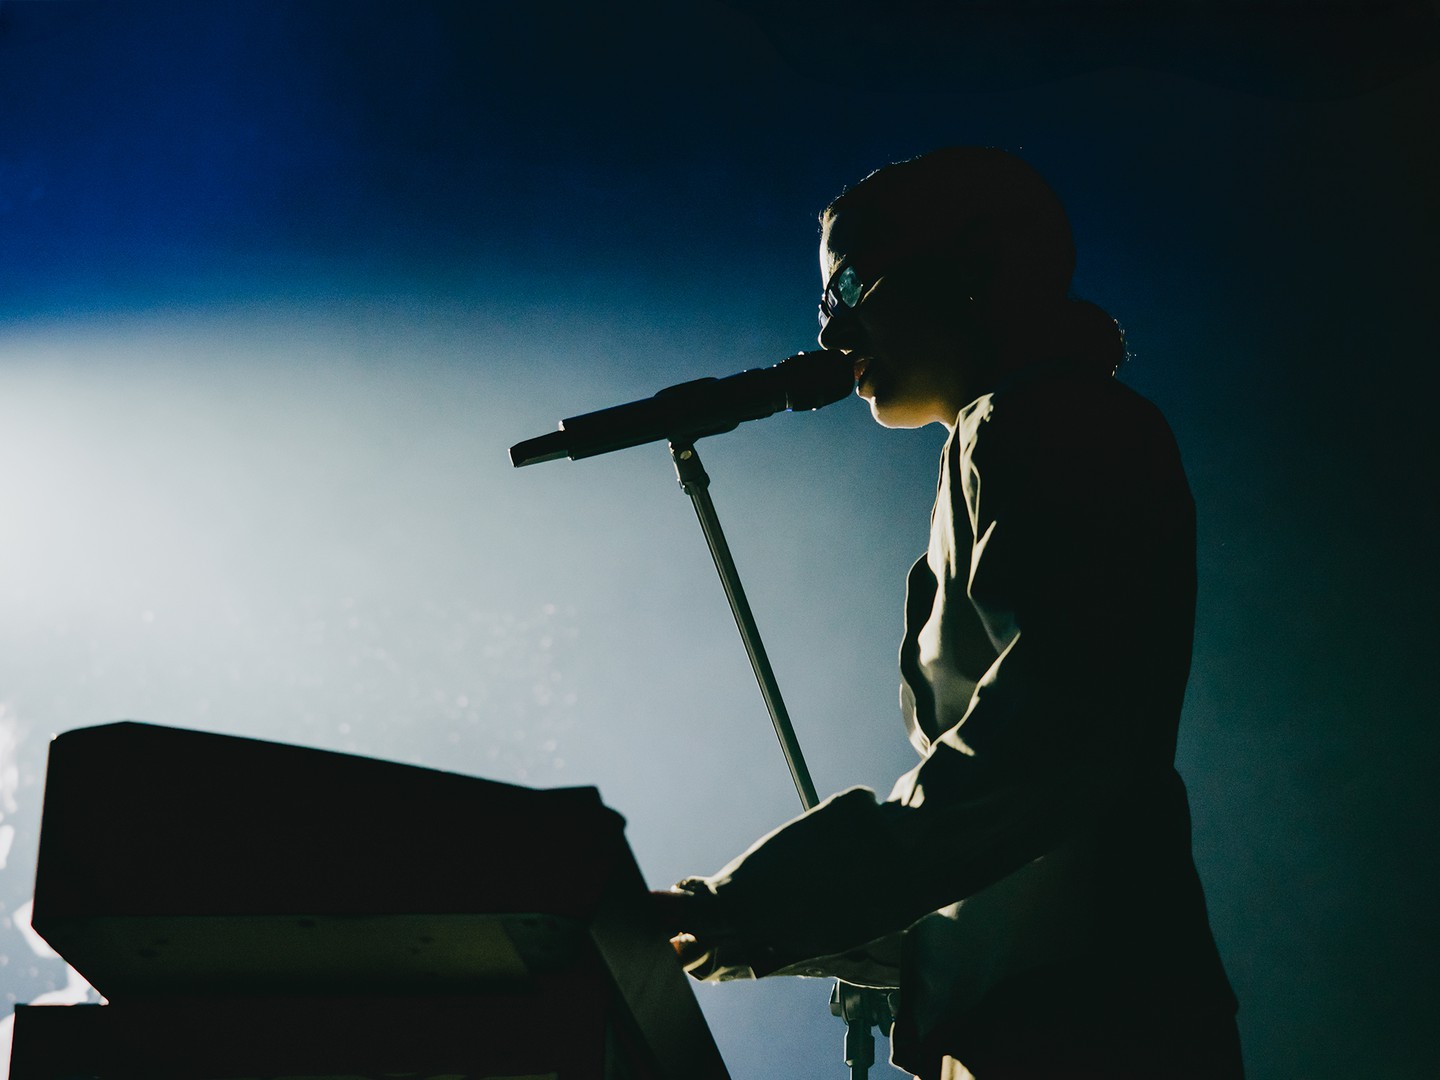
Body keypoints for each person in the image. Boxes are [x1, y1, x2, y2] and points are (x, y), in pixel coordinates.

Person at [652, 146, 1242, 1080]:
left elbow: (1045, 754)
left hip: (1083, 1029)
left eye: (851, 284)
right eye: (824, 302)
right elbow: (1004, 856)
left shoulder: (1039, 424)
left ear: (974, 267)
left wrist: (742, 909)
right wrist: (741, 925)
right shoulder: (1015, 431)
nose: (833, 330)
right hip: (1051, 1021)